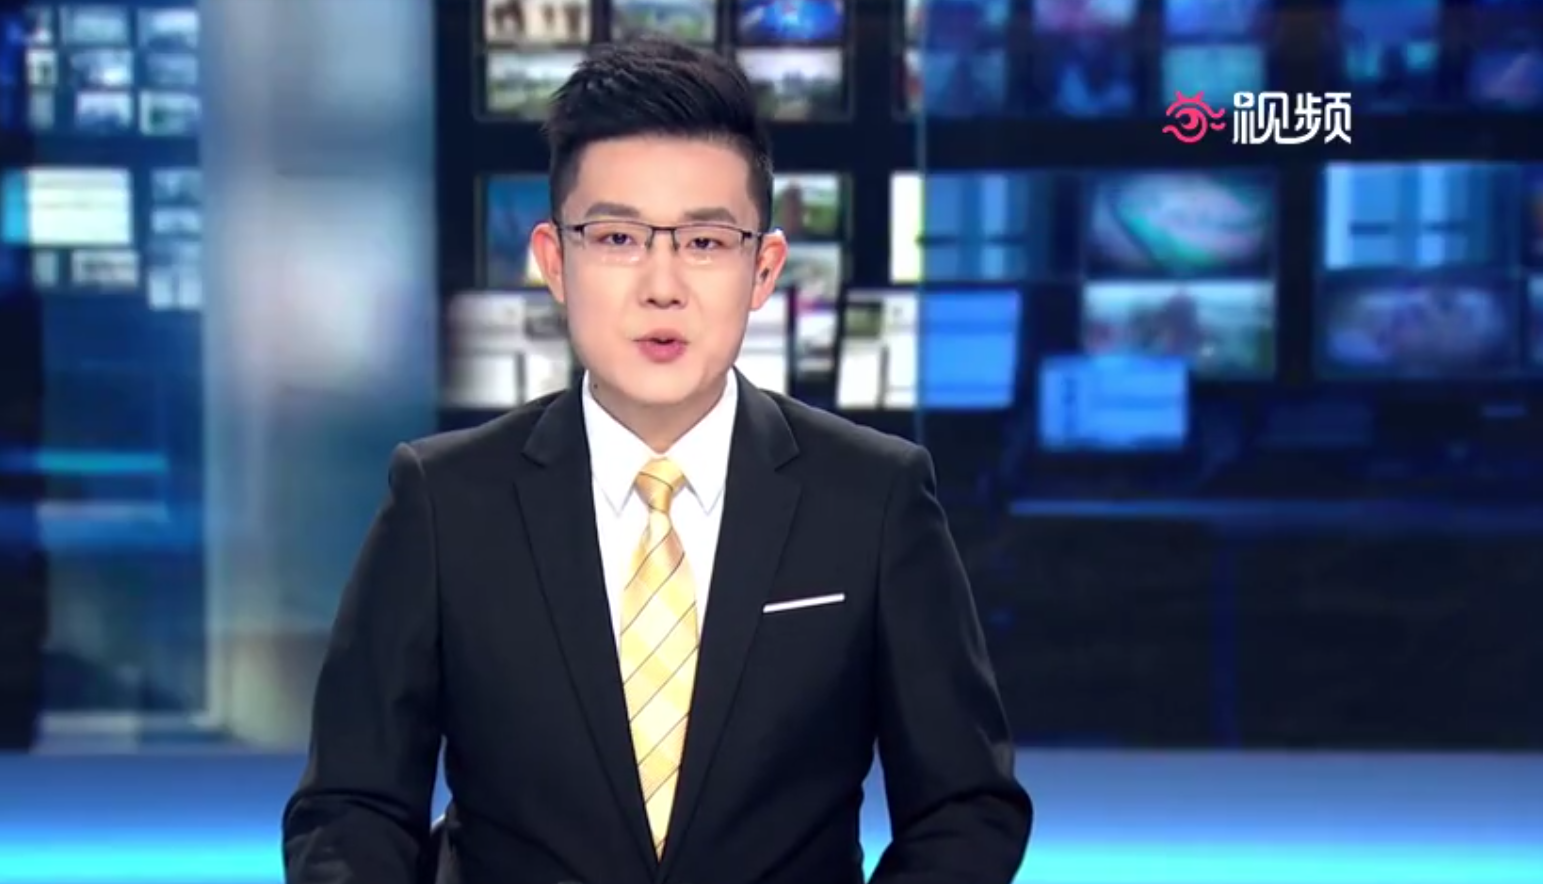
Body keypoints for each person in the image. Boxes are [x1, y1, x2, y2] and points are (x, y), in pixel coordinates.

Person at [284, 37, 1032, 884]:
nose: (662, 285)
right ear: (553, 261)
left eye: (705, 243)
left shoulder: (873, 498)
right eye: (616, 237)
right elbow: (350, 809)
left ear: (763, 268)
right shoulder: (444, 502)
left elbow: (965, 808)